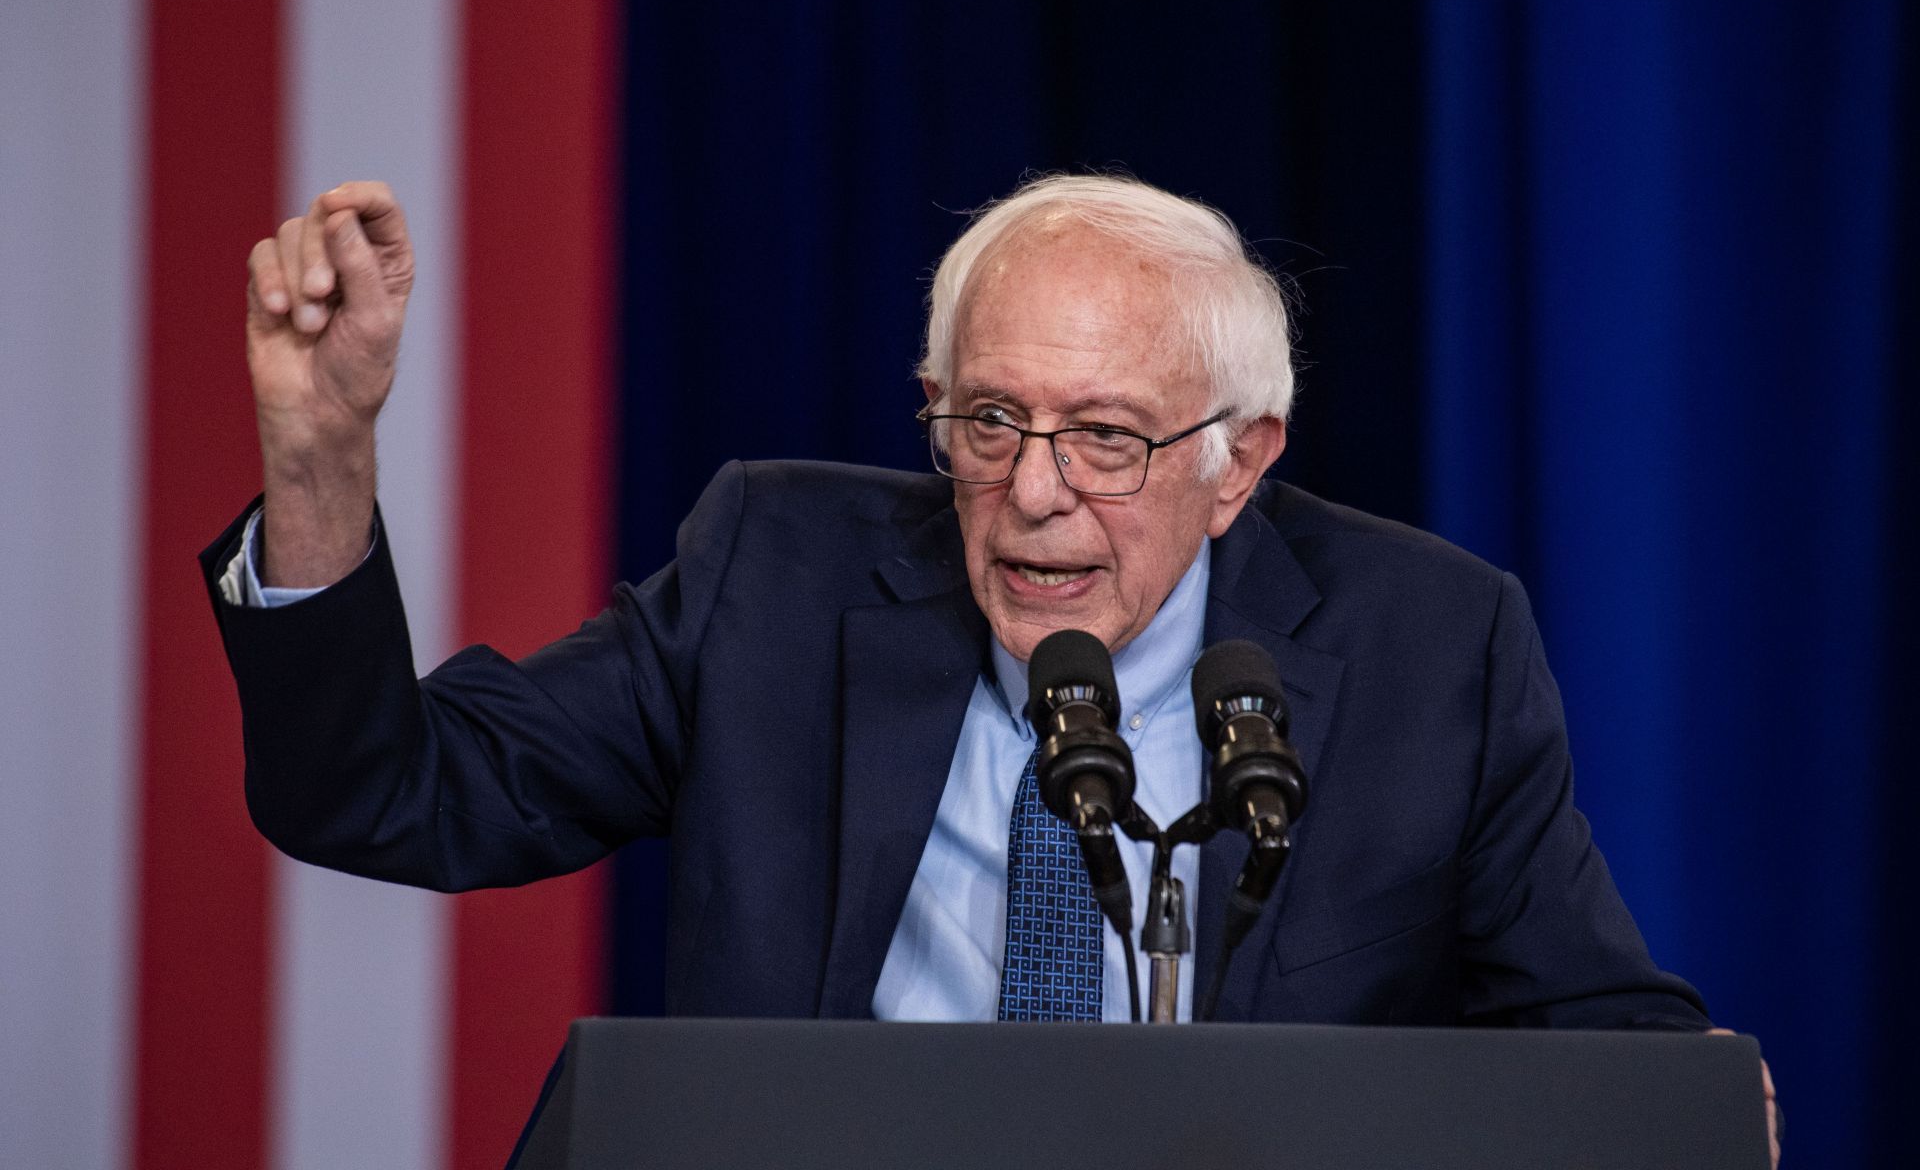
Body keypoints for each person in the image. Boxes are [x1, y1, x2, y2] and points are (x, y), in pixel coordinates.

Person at [209, 173, 1775, 1154]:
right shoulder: (778, 575)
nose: (1035, 491)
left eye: (1107, 437)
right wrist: (322, 450)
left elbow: (1602, 1042)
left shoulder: (1432, 645)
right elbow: (383, 793)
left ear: (1240, 464)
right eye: (990, 422)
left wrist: (1689, 1110)